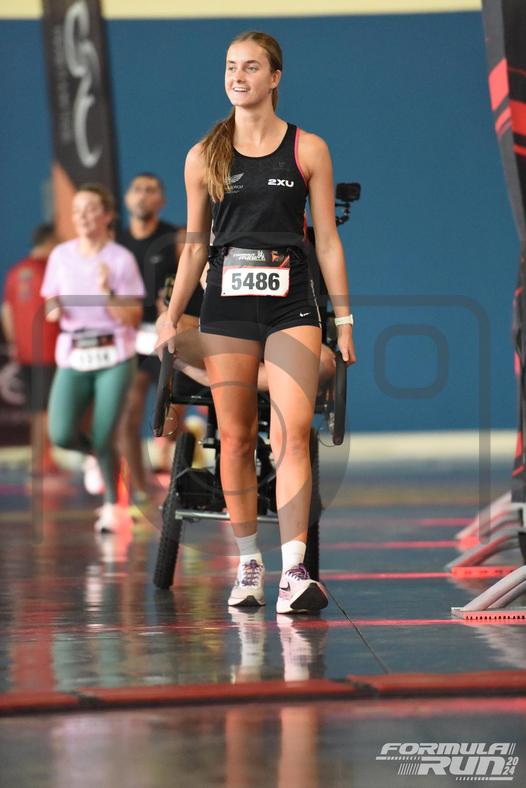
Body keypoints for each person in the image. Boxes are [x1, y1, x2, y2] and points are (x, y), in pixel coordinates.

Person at [157, 31, 356, 614]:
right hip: (228, 308)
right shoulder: (203, 155)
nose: (237, 77)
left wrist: (344, 319)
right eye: (230, 67)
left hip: (292, 306)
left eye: (250, 67)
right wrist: (170, 316)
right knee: (238, 438)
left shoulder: (308, 149)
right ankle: (249, 564)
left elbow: (328, 243)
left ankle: (294, 573)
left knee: (293, 435)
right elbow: (195, 248)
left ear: (275, 78)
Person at [41, 183, 145, 532]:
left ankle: (114, 507)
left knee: (103, 435)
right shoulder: (60, 256)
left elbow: (132, 317)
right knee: (61, 434)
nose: (82, 217)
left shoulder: (120, 259)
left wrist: (107, 291)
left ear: (107, 215)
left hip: (114, 354)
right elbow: (50, 300)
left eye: (90, 209)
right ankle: (96, 458)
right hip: (74, 353)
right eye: (77, 211)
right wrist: (54, 309)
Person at [116, 173, 203, 507]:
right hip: (130, 337)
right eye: (136, 189)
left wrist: (173, 311)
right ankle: (141, 489)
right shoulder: (116, 243)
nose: (142, 195)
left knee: (168, 421)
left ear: (161, 200)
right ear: (127, 198)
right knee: (128, 414)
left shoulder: (175, 239)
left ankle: (183, 458)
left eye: (150, 190)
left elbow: (196, 280)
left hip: (166, 333)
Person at [1, 223, 60, 478]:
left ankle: (43, 459)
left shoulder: (15, 272)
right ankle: (42, 461)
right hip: (48, 347)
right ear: (50, 242)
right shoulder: (50, 270)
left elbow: (7, 311)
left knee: (37, 408)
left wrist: (15, 343)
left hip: (25, 351)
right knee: (46, 408)